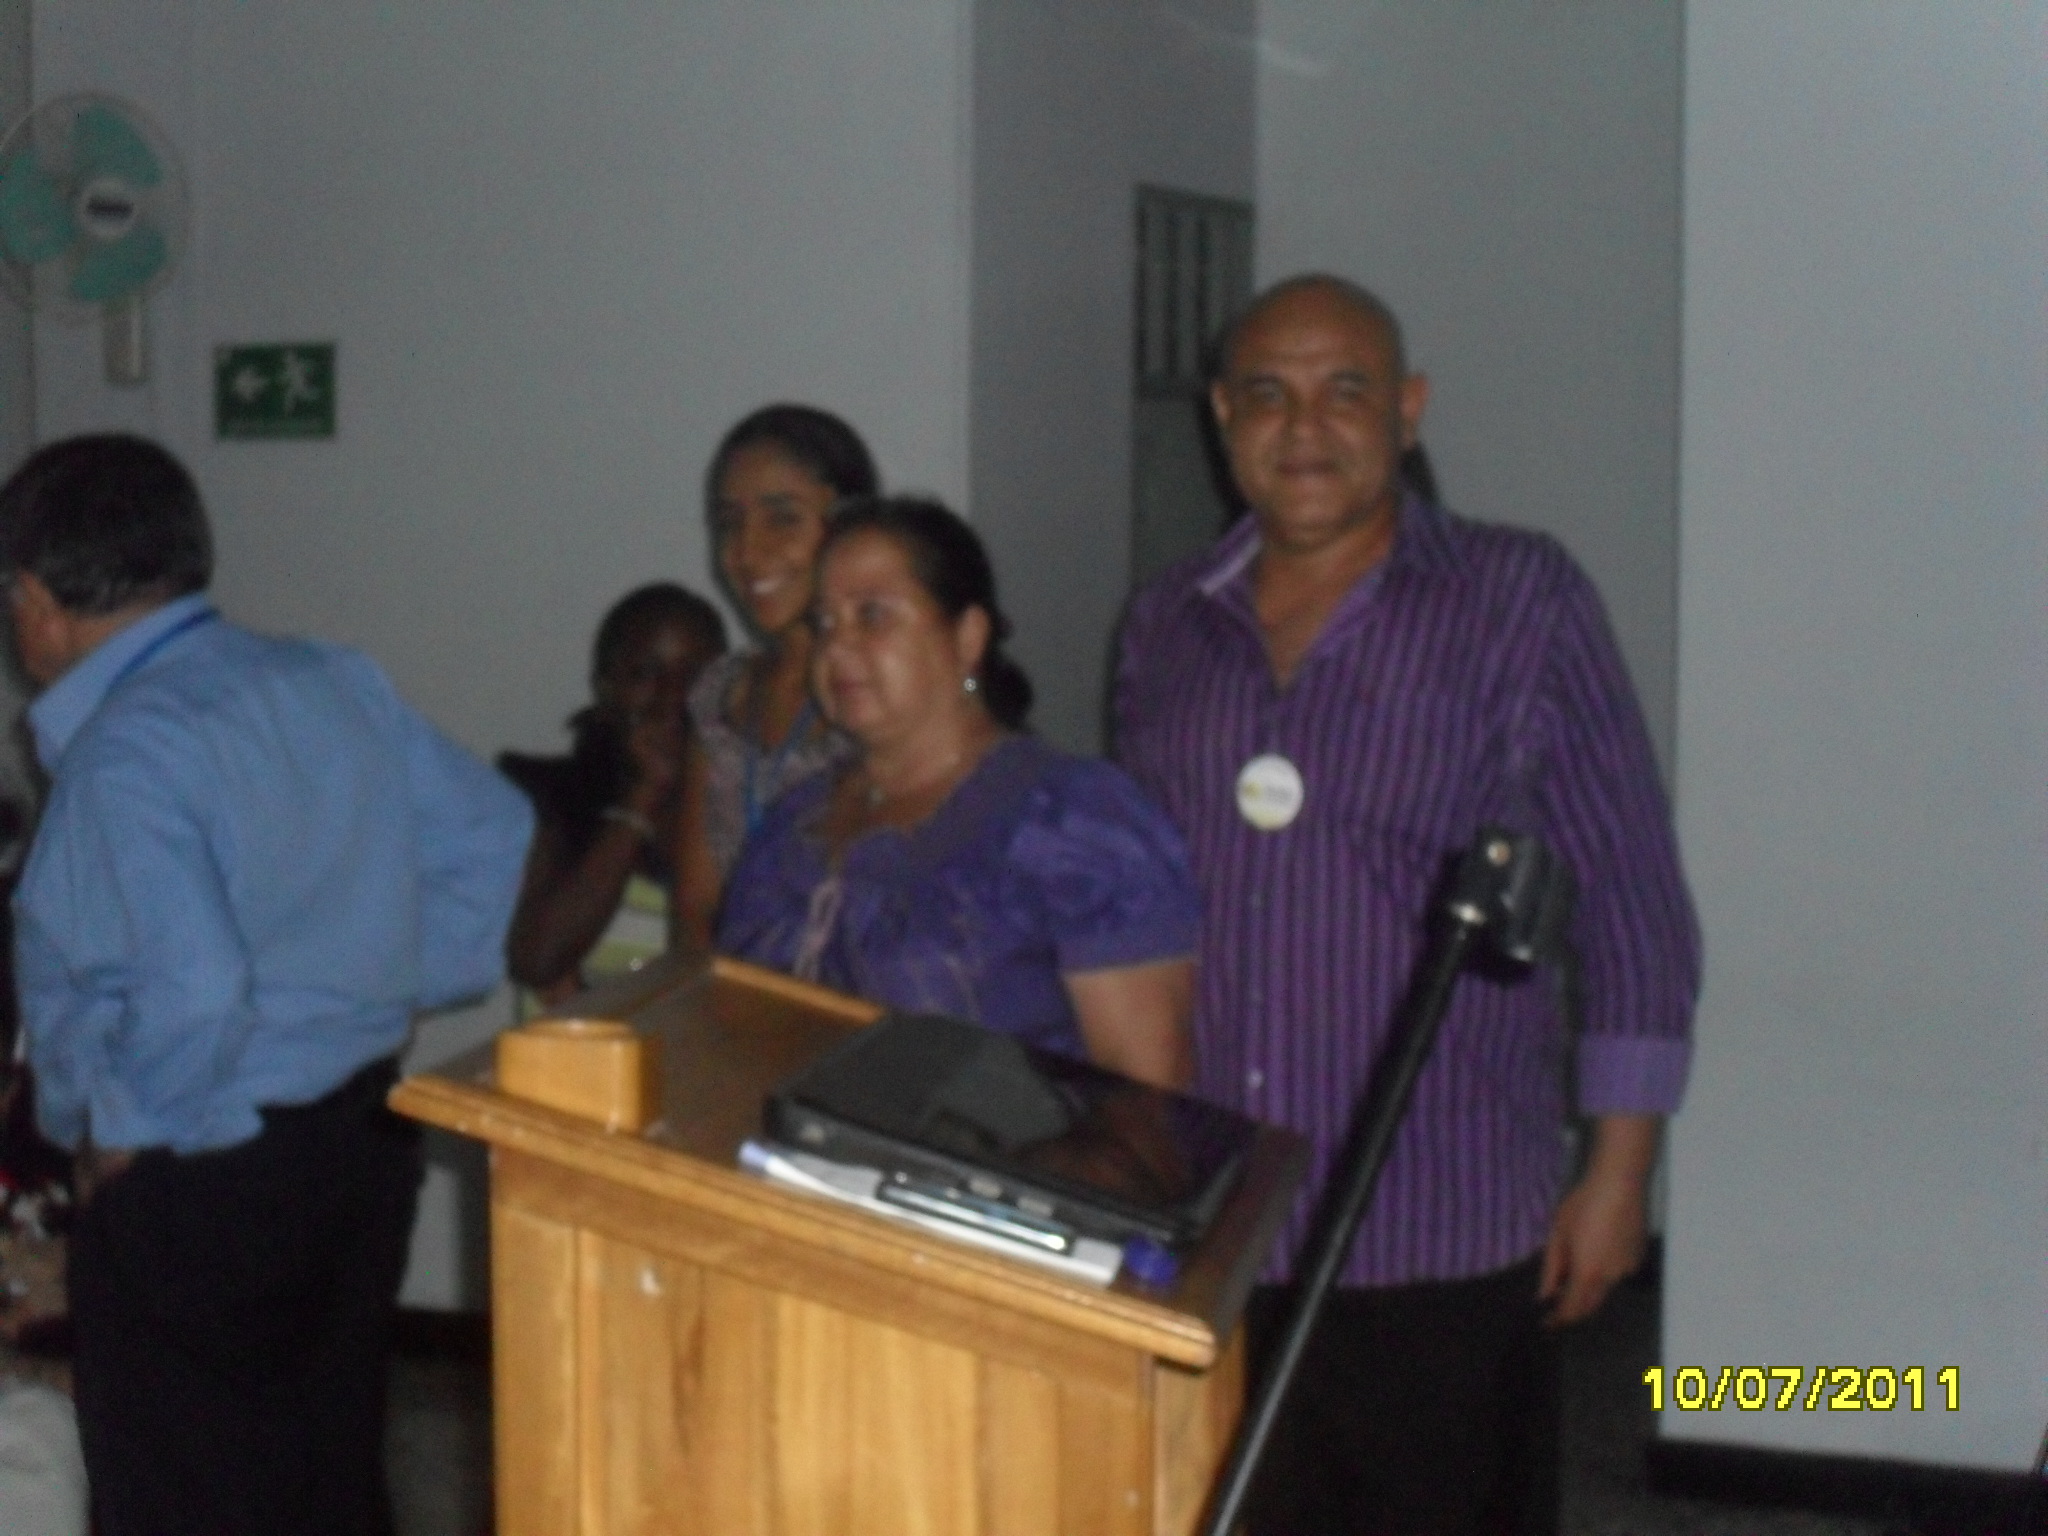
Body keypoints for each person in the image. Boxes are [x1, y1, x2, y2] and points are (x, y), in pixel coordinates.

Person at [1114, 275, 1700, 1533]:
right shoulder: (1164, 622)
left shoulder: (1518, 600)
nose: (1303, 427)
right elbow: (1135, 913)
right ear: (1221, 416)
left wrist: (1618, 1170)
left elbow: (1631, 896)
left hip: (1433, 1220)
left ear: (1408, 410)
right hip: (1218, 1222)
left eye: (1344, 391)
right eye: (1266, 394)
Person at [0, 434, 533, 1536]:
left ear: (39, 602)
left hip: (201, 1173)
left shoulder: (124, 750)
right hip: (356, 1144)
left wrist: (122, 1131)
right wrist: (380, 989)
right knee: (323, 1476)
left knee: (184, 1495)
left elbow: (194, 989)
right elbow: (491, 832)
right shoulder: (325, 678)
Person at [720, 496, 1198, 1089]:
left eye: (872, 616)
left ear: (968, 637)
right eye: (824, 623)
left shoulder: (1075, 821)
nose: (837, 647)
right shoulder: (795, 821)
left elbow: (1147, 1092)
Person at [673, 404, 877, 945]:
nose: (746, 552)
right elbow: (694, 912)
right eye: (729, 524)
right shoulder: (722, 696)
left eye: (782, 518)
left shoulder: (884, 691)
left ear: (850, 523)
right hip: (732, 992)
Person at [500, 582, 727, 1003]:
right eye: (644, 674)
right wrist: (642, 797)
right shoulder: (554, 799)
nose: (671, 697)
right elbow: (536, 960)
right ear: (605, 687)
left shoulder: (745, 812)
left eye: (693, 676)